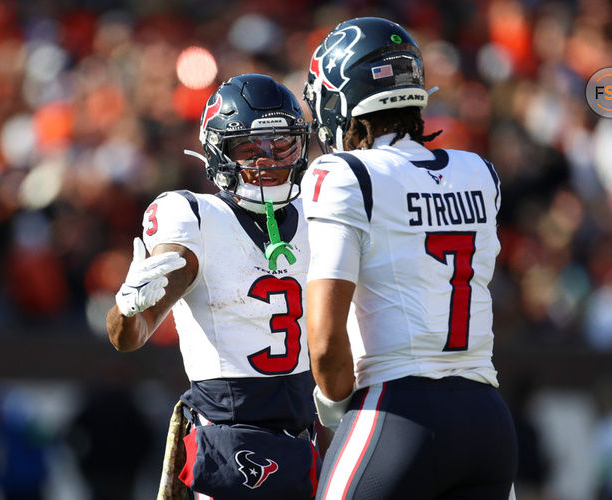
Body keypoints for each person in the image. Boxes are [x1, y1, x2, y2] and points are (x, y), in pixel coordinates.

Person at [300, 17, 518, 499]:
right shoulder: (478, 171)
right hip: (487, 421)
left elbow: (324, 341)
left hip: (397, 413)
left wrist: (333, 401)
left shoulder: (343, 174)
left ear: (342, 99)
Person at [106, 73, 320, 499]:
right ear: (219, 153)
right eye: (249, 149)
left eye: (281, 144)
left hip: (309, 431)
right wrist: (127, 308)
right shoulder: (194, 218)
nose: (268, 161)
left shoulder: (321, 206)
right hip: (229, 439)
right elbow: (128, 338)